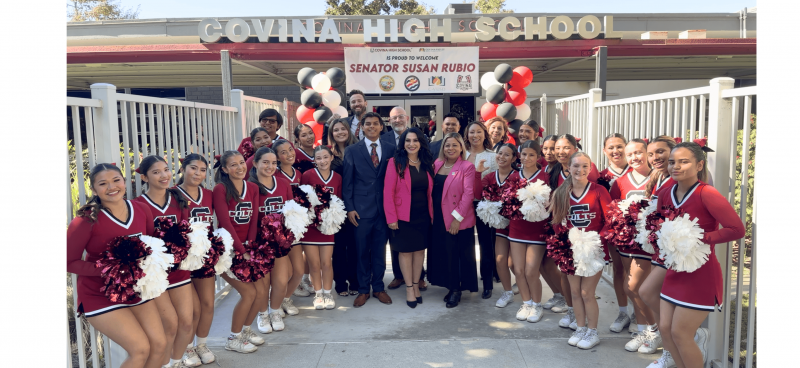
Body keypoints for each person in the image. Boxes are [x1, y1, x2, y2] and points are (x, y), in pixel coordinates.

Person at [68, 163, 167, 368]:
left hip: (135, 290)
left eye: (116, 180)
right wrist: (110, 270)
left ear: (124, 182)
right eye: (103, 184)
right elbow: (68, 262)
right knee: (140, 350)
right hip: (99, 294)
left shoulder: (141, 209)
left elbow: (150, 244)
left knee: (159, 344)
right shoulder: (86, 219)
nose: (111, 187)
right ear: (94, 190)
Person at [657, 142, 744, 368]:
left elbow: (737, 229)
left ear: (699, 165)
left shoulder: (707, 193)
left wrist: (699, 238)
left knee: (681, 333)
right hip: (674, 270)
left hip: (700, 273)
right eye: (673, 162)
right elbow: (659, 225)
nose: (676, 166)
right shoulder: (665, 193)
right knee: (666, 330)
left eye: (684, 161)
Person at [133, 156, 196, 368]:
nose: (164, 175)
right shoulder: (137, 205)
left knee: (187, 323)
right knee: (170, 325)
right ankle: (165, 364)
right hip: (155, 275)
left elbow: (186, 230)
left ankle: (176, 362)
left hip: (179, 271)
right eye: (156, 172)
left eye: (166, 170)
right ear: (144, 177)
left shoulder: (178, 198)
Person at [550, 152, 612, 350]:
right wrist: (566, 243)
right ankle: (581, 328)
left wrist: (596, 241)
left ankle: (593, 332)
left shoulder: (599, 190)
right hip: (570, 250)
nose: (580, 170)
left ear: (590, 168)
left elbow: (610, 220)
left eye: (585, 166)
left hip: (593, 250)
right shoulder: (561, 192)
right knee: (575, 292)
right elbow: (557, 223)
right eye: (576, 166)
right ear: (568, 168)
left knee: (587, 292)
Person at [608, 139, 661, 354]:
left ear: (647, 153)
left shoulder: (659, 179)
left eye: (639, 153)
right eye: (630, 155)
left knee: (637, 288)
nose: (634, 158)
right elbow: (613, 209)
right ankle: (643, 330)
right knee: (633, 289)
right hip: (627, 242)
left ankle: (654, 329)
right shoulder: (620, 182)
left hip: (649, 244)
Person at [342, 111, 397, 307]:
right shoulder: (352, 150)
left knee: (380, 252)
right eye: (368, 124)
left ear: (382, 127)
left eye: (376, 123)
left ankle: (379, 288)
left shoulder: (391, 149)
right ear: (362, 127)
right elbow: (347, 183)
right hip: (361, 212)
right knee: (362, 251)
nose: (372, 127)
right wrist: (350, 208)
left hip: (384, 211)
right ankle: (364, 290)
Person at [212, 151, 262, 354]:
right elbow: (225, 223)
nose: (240, 167)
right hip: (228, 251)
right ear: (224, 169)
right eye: (233, 165)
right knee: (248, 293)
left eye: (242, 163)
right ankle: (233, 338)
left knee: (259, 294)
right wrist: (241, 250)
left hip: (247, 248)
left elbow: (254, 219)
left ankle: (245, 331)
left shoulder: (253, 187)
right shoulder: (220, 189)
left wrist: (249, 245)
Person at [383, 127, 435, 308]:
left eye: (415, 140)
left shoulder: (428, 162)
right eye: (408, 141)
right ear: (402, 143)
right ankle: (409, 289)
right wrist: (391, 218)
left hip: (423, 215)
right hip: (402, 216)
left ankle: (416, 284)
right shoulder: (395, 163)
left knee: (420, 251)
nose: (411, 144)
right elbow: (387, 192)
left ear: (421, 143)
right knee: (405, 252)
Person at [175, 154, 217, 366]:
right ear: (183, 168)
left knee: (208, 303)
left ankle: (202, 344)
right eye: (193, 168)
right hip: (181, 259)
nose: (198, 173)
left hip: (204, 256)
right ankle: (187, 348)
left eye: (202, 169)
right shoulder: (172, 194)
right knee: (191, 309)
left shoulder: (208, 194)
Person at [427, 132, 478, 308]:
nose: (450, 148)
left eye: (455, 145)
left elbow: (468, 194)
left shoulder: (467, 167)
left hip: (457, 218)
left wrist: (457, 219)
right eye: (447, 145)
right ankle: (450, 286)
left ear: (461, 148)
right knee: (445, 254)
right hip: (439, 217)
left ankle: (456, 290)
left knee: (457, 255)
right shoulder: (437, 164)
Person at [248, 147, 294, 333]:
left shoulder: (283, 183)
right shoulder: (249, 186)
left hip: (279, 241)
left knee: (281, 281)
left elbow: (291, 211)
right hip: (259, 242)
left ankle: (274, 311)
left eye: (273, 162)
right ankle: (262, 313)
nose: (270, 166)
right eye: (265, 162)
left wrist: (288, 235)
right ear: (255, 163)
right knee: (263, 283)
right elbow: (249, 217)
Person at [507, 140, 551, 323]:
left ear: (538, 157)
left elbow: (549, 203)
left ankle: (537, 304)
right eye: (524, 154)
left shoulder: (545, 176)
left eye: (531, 154)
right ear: (520, 156)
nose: (527, 158)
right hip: (517, 228)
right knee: (518, 270)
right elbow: (507, 201)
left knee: (531, 270)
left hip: (537, 229)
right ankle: (526, 302)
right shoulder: (513, 176)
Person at [599, 133, 636, 334]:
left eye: (620, 146)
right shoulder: (600, 175)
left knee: (636, 275)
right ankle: (623, 312)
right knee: (619, 270)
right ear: (604, 151)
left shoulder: (638, 171)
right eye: (611, 147)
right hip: (614, 231)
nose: (616, 151)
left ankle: (639, 313)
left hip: (638, 234)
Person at [272, 139, 316, 299]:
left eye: (290, 149)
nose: (289, 154)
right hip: (279, 227)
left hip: (296, 224)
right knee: (286, 269)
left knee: (298, 265)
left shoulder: (298, 174)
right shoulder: (274, 174)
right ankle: (282, 297)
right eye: (283, 152)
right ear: (277, 157)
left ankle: (289, 292)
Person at [301, 146, 343, 310]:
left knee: (326, 262)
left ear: (331, 157)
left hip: (327, 226)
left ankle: (328, 293)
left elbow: (339, 201)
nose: (322, 161)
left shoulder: (337, 177)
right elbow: (301, 199)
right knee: (314, 263)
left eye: (325, 157)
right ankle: (318, 295)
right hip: (311, 226)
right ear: (314, 160)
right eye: (318, 158)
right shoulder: (307, 175)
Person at [464, 121, 499, 299]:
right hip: (464, 205)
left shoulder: (492, 157)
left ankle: (487, 283)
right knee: (466, 244)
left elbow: (496, 182)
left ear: (485, 135)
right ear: (467, 135)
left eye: (479, 132)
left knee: (486, 245)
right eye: (472, 132)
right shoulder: (461, 155)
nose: (475, 135)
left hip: (485, 205)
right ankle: (467, 281)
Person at [481, 143, 518, 308]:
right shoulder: (489, 177)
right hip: (501, 225)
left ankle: (529, 294)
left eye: (507, 154)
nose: (502, 157)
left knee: (516, 264)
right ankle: (507, 292)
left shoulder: (518, 176)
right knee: (500, 259)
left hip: (518, 225)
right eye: (499, 153)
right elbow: (478, 194)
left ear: (514, 158)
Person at [326, 117, 361, 297]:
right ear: (331, 134)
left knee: (355, 246)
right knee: (338, 248)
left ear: (349, 130)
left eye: (343, 129)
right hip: (335, 209)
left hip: (356, 205)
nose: (340, 132)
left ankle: (355, 280)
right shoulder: (328, 154)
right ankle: (340, 283)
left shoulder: (358, 149)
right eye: (336, 130)